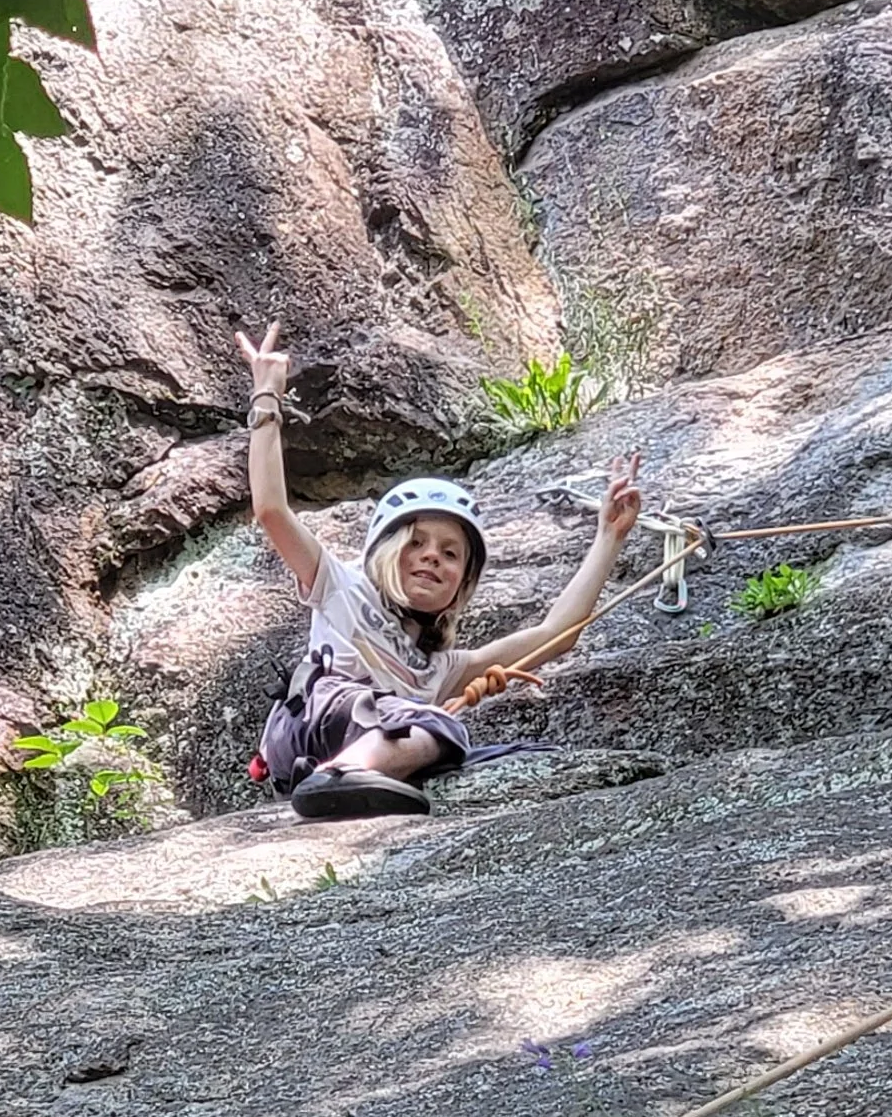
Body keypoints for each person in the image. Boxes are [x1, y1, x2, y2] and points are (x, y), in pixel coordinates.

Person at [240, 324, 644, 822]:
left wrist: (609, 537)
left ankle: (351, 777)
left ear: (462, 582)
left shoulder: (442, 668)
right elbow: (272, 511)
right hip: (313, 723)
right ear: (384, 551)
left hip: (359, 736)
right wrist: (266, 398)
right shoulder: (340, 586)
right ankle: (340, 778)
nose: (433, 557)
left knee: (495, 751)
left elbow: (554, 636)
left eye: (452, 555)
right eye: (417, 543)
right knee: (442, 729)